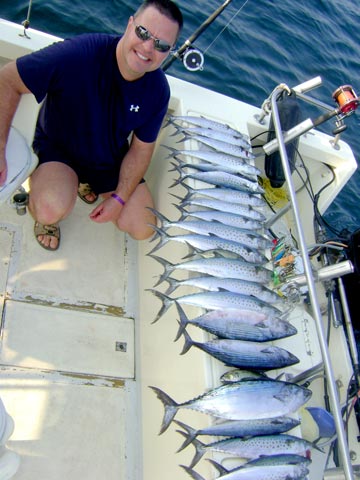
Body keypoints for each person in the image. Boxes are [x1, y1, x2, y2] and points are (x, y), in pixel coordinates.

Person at [0, 0, 183, 250]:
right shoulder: (79, 53)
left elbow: (141, 150)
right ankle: (51, 209)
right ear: (130, 24)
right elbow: (8, 79)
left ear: (170, 51)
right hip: (58, 151)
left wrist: (119, 198)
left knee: (143, 226)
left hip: (107, 159)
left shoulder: (158, 90)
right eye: (143, 33)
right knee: (48, 208)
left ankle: (86, 183)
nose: (148, 47)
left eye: (161, 45)